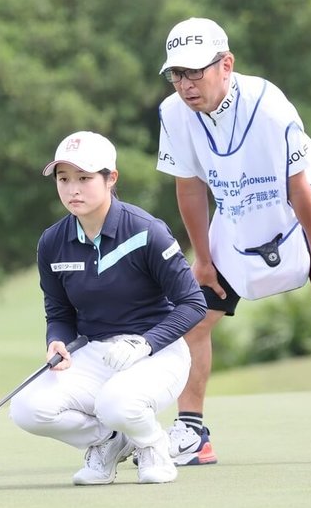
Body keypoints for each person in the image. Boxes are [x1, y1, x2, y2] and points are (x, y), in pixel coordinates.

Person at [155, 17, 311, 465]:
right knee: (194, 317)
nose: (185, 84)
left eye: (194, 72)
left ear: (226, 65)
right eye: (176, 74)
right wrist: (202, 260)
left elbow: (297, 186)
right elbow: (189, 187)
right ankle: (191, 433)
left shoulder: (268, 105)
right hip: (238, 207)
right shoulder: (173, 113)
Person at [10, 130, 207, 485]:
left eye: (84, 178)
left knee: (116, 404)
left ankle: (152, 446)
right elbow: (59, 313)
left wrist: (145, 343)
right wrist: (57, 341)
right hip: (95, 354)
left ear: (111, 178)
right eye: (63, 178)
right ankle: (109, 441)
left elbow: (193, 303)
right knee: (26, 409)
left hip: (156, 353)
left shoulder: (147, 231)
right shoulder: (52, 242)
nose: (73, 189)